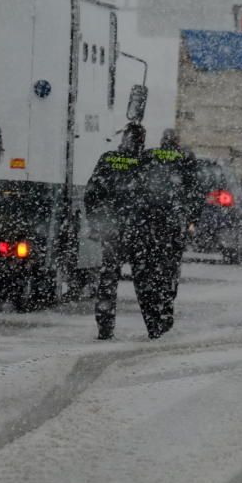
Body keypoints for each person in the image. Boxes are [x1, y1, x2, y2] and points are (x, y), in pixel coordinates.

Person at [84, 123, 148, 340]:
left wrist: (95, 222)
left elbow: (91, 192)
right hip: (138, 230)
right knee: (144, 280)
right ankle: (153, 325)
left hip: (111, 229)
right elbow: (153, 198)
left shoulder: (108, 159)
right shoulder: (145, 163)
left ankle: (105, 325)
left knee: (108, 279)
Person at [136, 128, 201, 336]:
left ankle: (151, 318)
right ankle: (165, 310)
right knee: (169, 270)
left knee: (146, 272)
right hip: (173, 226)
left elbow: (136, 187)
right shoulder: (185, 158)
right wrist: (192, 219)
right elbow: (195, 192)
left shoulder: (149, 156)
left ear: (162, 141)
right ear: (177, 142)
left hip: (148, 225)